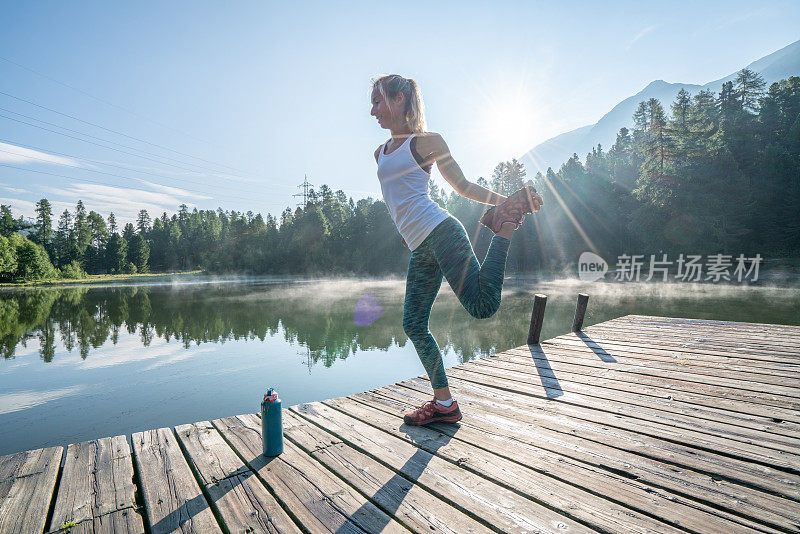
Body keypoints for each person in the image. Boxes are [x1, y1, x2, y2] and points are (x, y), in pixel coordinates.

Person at [370, 74, 543, 425]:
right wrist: (404, 233)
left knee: (482, 306)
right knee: (414, 325)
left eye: (377, 101)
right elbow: (395, 200)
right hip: (420, 245)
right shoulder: (379, 153)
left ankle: (505, 228)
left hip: (442, 231)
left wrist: (505, 204)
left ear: (400, 99)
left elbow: (462, 186)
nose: (372, 111)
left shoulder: (428, 142)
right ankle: (445, 404)